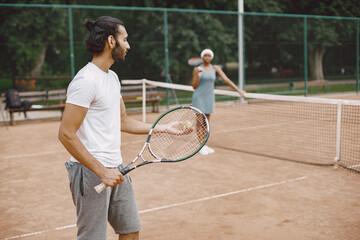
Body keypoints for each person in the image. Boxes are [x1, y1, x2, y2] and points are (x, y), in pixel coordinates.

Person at [58, 16, 172, 240]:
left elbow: (123, 121)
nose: (128, 45)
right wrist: (102, 171)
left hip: (117, 167)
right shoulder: (86, 81)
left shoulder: (112, 78)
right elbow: (65, 134)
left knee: (130, 230)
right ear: (112, 41)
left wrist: (165, 128)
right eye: (125, 39)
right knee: (93, 237)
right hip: (90, 171)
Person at [191, 49, 246, 155]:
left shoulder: (215, 68)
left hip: (209, 98)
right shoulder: (197, 69)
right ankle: (200, 146)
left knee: (206, 123)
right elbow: (194, 86)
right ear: (202, 57)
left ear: (212, 57)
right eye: (205, 56)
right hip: (199, 98)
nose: (207, 58)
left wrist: (239, 91)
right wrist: (197, 76)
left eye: (209, 56)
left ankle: (204, 144)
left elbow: (226, 80)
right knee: (200, 123)